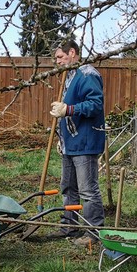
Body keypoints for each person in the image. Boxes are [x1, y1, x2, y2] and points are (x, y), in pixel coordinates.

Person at [47, 40, 105, 244]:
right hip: (70, 143)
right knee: (68, 187)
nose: (57, 61)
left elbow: (95, 104)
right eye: (56, 58)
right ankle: (69, 227)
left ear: (72, 52)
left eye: (60, 57)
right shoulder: (70, 75)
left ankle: (93, 233)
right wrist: (61, 137)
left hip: (85, 142)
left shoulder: (88, 74)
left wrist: (68, 109)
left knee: (87, 190)